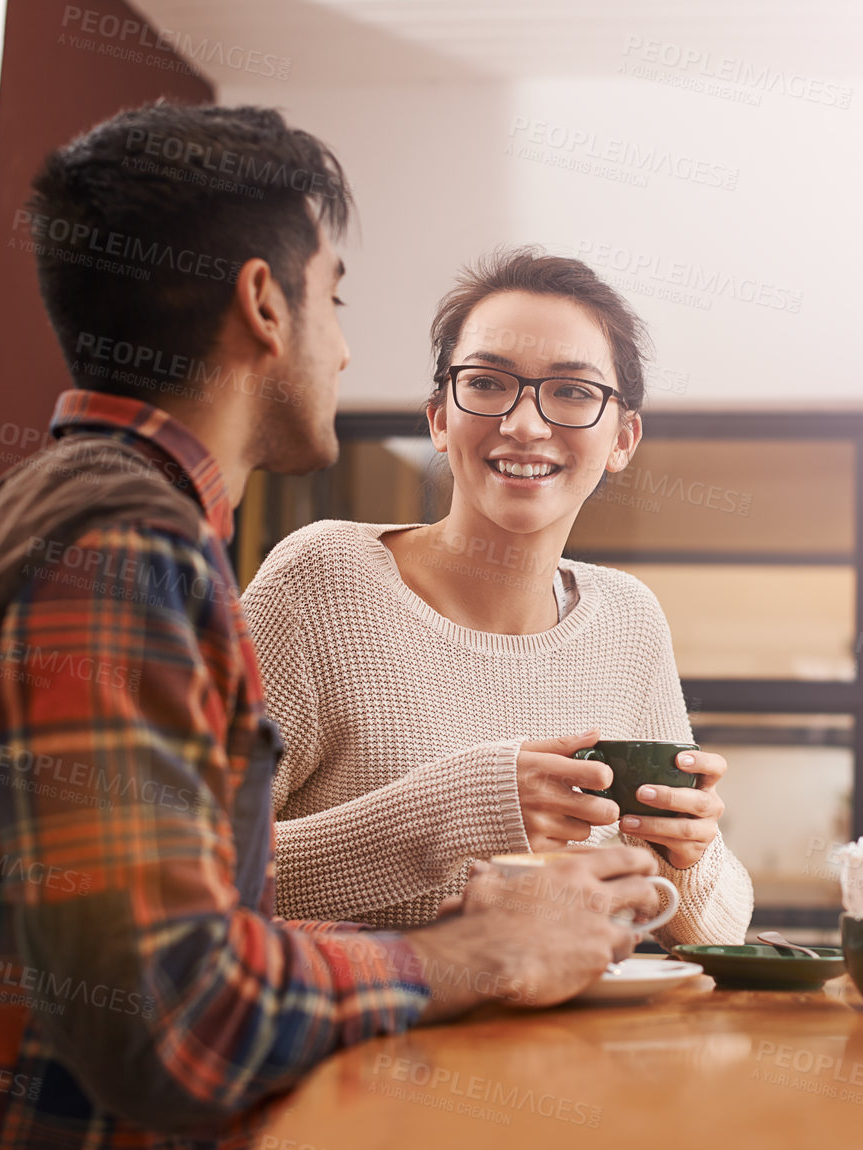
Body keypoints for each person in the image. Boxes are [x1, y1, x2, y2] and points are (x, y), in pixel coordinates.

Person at [0, 104, 665, 1150]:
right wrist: (477, 950)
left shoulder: (68, 512)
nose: (344, 345)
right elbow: (177, 1012)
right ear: (265, 303)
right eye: (333, 295)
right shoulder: (121, 551)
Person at [242, 248, 754, 944]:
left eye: (572, 392)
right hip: (365, 1047)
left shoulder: (629, 619)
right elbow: (189, 874)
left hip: (579, 1049)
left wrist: (691, 860)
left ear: (623, 439)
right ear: (439, 419)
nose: (525, 424)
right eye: (487, 383)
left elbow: (715, 935)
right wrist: (462, 808)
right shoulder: (322, 581)